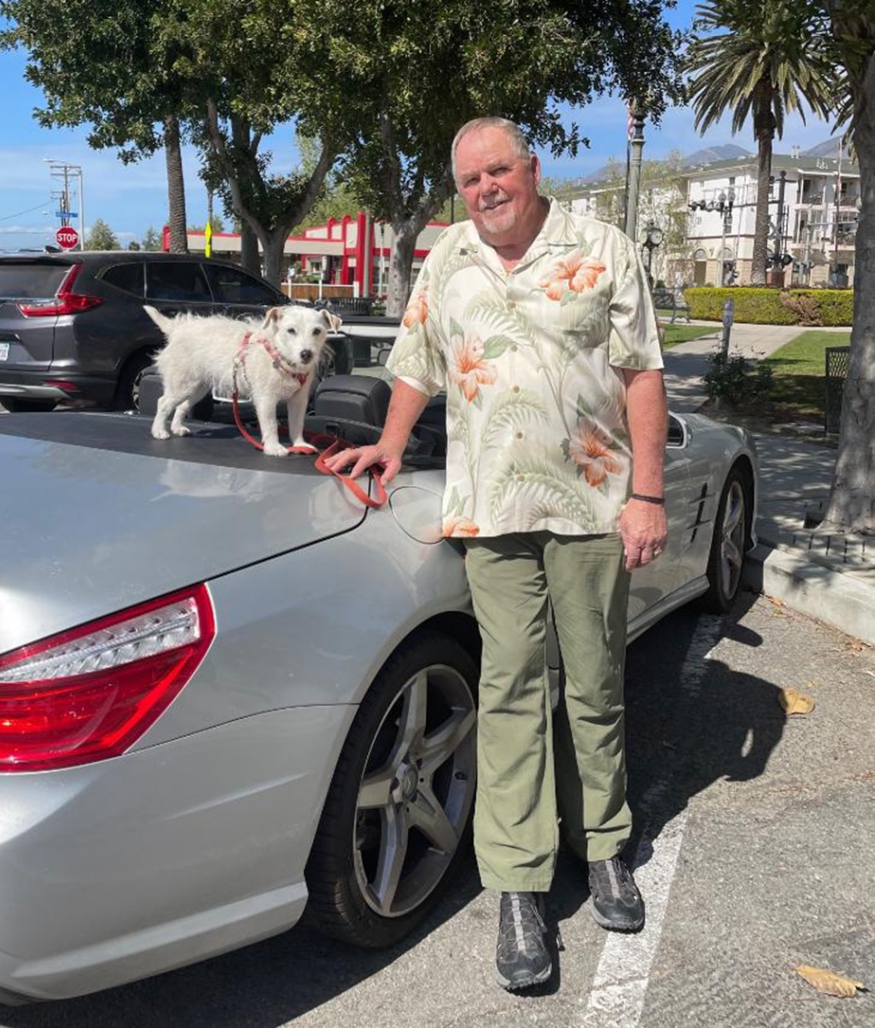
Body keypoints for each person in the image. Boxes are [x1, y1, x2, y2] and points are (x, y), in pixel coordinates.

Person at [325, 116, 667, 991]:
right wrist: (393, 446)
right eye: (471, 179)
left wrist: (648, 494)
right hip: (490, 510)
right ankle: (517, 882)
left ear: (532, 167)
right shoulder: (448, 259)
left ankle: (602, 850)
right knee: (510, 688)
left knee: (592, 683)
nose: (486, 189)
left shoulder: (602, 245)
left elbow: (642, 373)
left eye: (499, 171)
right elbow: (417, 361)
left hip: (592, 505)